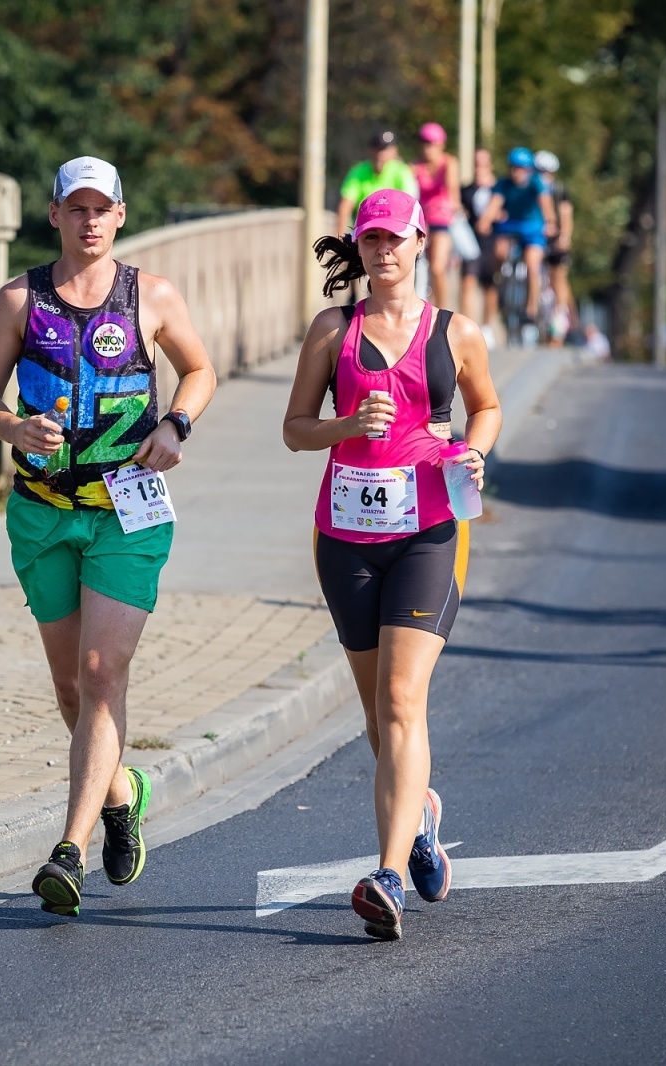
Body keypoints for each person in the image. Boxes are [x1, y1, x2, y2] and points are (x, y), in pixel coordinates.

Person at [0, 156, 215, 917]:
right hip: (41, 510)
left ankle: (68, 850)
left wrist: (177, 423)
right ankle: (122, 791)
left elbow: (200, 370)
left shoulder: (152, 295)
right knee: (71, 687)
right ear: (54, 215)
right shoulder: (18, 299)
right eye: (76, 208)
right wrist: (13, 425)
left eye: (101, 208)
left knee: (103, 674)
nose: (90, 221)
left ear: (121, 213)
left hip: (124, 510)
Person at [283, 189, 501, 940]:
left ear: (419, 244)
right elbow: (294, 430)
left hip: (430, 531)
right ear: (359, 246)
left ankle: (386, 875)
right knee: (379, 717)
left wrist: (476, 446)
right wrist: (345, 423)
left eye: (396, 239)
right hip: (344, 533)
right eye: (371, 240)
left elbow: (489, 406)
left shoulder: (455, 331)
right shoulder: (331, 329)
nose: (384, 252)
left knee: (405, 702)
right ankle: (423, 817)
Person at [476, 147, 557, 325]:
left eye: (520, 168)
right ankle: (498, 284)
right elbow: (493, 206)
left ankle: (531, 308)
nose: (516, 172)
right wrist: (485, 221)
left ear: (528, 169)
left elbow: (546, 205)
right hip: (510, 227)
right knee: (498, 252)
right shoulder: (504, 184)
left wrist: (550, 223)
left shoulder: (537, 183)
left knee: (532, 263)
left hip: (533, 229)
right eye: (513, 167)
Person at [411, 122, 462, 310]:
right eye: (424, 143)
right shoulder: (415, 166)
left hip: (442, 220)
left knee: (437, 267)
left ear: (441, 145)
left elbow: (452, 190)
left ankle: (442, 310)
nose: (427, 148)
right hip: (422, 221)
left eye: (431, 143)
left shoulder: (448, 163)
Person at [336, 131, 416, 238]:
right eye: (377, 149)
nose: (381, 154)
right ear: (370, 151)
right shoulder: (358, 171)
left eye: (385, 149)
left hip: (394, 229)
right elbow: (345, 206)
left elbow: (408, 205)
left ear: (394, 151)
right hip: (365, 228)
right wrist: (340, 238)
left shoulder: (402, 171)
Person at [533, 150, 576, 340]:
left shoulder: (558, 189)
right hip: (536, 235)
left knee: (558, 275)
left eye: (545, 171)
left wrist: (564, 236)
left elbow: (566, 214)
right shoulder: (532, 188)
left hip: (554, 237)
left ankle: (559, 313)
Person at [459, 148, 499, 338]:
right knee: (467, 281)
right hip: (471, 243)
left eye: (483, 163)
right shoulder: (465, 190)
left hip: (493, 242)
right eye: (476, 163)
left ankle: (487, 325)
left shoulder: (499, 189)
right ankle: (467, 328)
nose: (479, 167)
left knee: (489, 285)